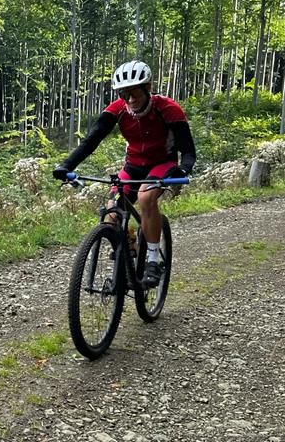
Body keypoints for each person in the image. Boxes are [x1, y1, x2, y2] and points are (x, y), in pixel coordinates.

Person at [52, 60, 196, 288]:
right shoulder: (117, 110)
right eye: (124, 94)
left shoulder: (168, 108)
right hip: (133, 165)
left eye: (134, 93)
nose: (129, 100)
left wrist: (183, 170)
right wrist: (66, 165)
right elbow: (91, 141)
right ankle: (128, 256)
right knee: (112, 211)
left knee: (146, 197)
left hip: (162, 163)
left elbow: (188, 150)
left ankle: (153, 259)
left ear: (148, 88)